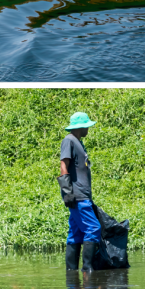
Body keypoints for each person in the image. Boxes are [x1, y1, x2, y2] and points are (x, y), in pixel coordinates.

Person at [57, 112, 100, 272]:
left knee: (75, 233)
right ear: (80, 127)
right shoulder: (69, 140)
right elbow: (63, 165)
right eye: (87, 126)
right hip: (77, 195)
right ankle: (88, 271)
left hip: (82, 195)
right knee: (93, 229)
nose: (88, 128)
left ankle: (71, 274)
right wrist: (67, 191)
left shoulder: (78, 142)